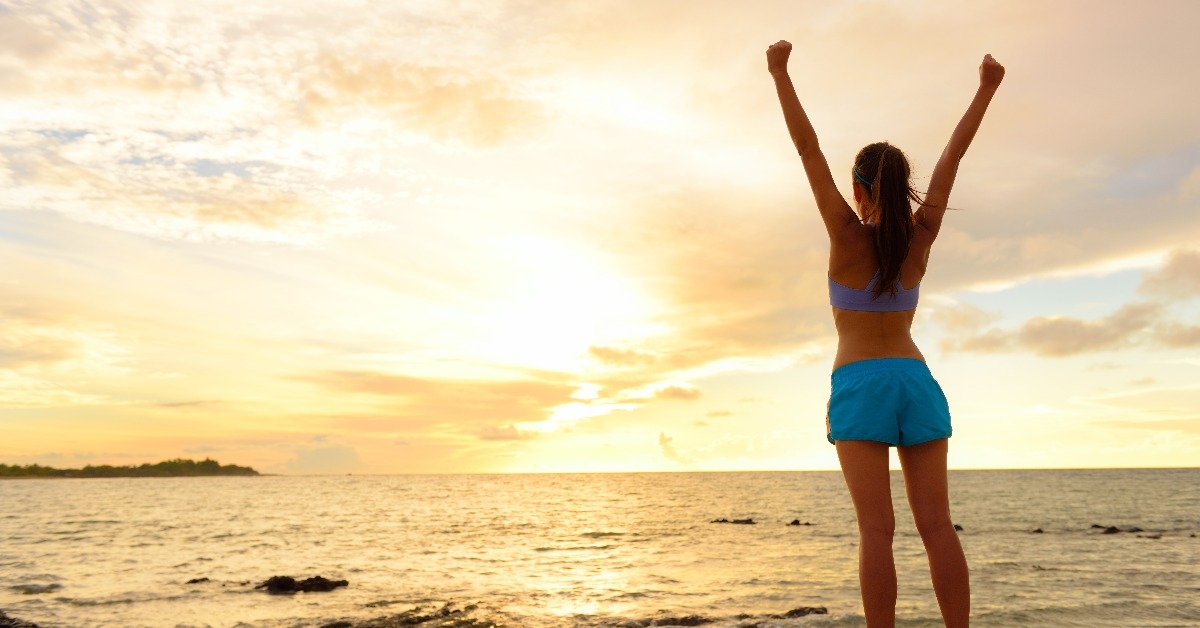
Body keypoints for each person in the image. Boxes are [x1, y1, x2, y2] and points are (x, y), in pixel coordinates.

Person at [766, 40, 1004, 628]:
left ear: (859, 190)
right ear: (900, 188)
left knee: (876, 531)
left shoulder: (845, 234)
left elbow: (807, 148)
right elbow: (954, 155)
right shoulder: (920, 237)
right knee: (937, 529)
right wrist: (986, 89)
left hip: (860, 381)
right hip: (915, 378)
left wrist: (779, 72)